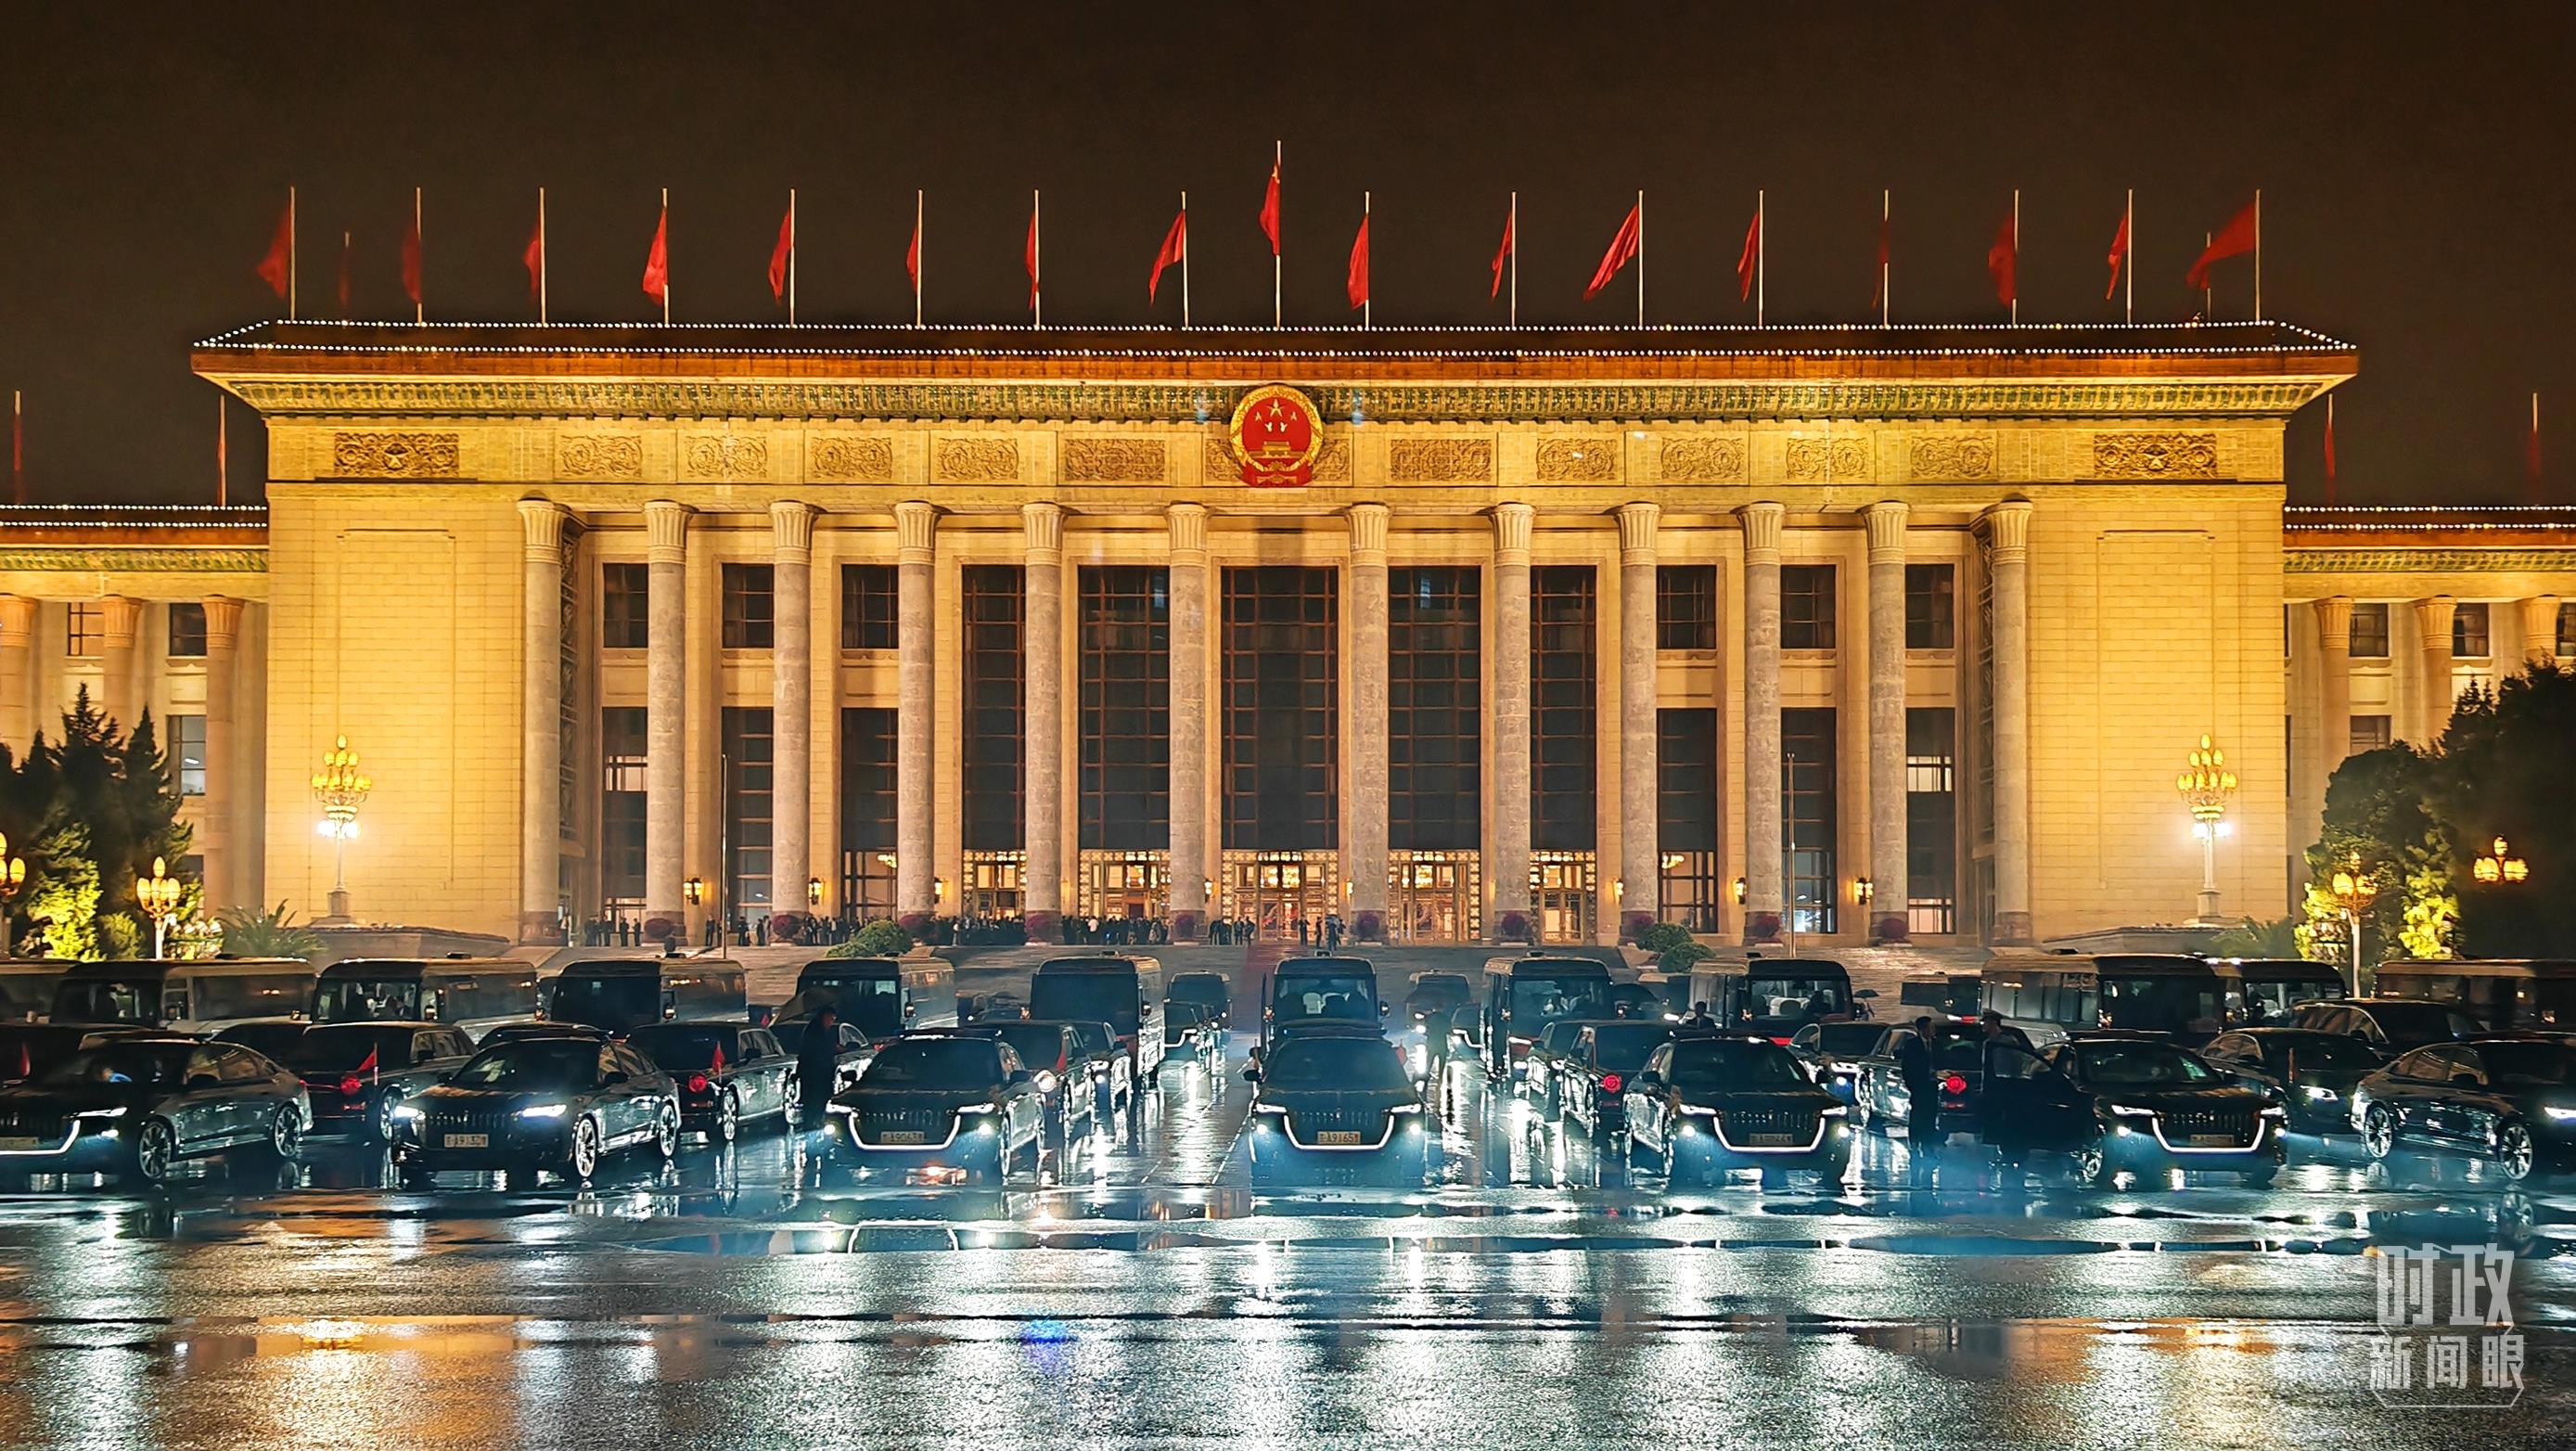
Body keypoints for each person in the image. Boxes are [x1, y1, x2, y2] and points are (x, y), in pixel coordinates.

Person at [1897, 1017, 1941, 1184]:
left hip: (1932, 1085)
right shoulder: (1912, 1045)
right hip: (1919, 1086)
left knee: (1930, 1115)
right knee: (1917, 1115)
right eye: (1930, 1027)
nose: (1932, 1031)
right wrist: (1912, 1085)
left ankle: (1928, 1145)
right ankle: (1915, 1144)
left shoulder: (1936, 1044)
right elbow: (1907, 1067)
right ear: (1922, 1029)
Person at [796, 1006, 844, 1128]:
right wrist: (833, 1048)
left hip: (820, 1073)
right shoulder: (815, 1031)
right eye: (831, 1019)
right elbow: (817, 1050)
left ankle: (814, 1121)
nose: (831, 1022)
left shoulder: (820, 1030)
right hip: (815, 1073)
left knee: (818, 1099)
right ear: (824, 1016)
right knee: (814, 1100)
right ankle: (811, 1122)